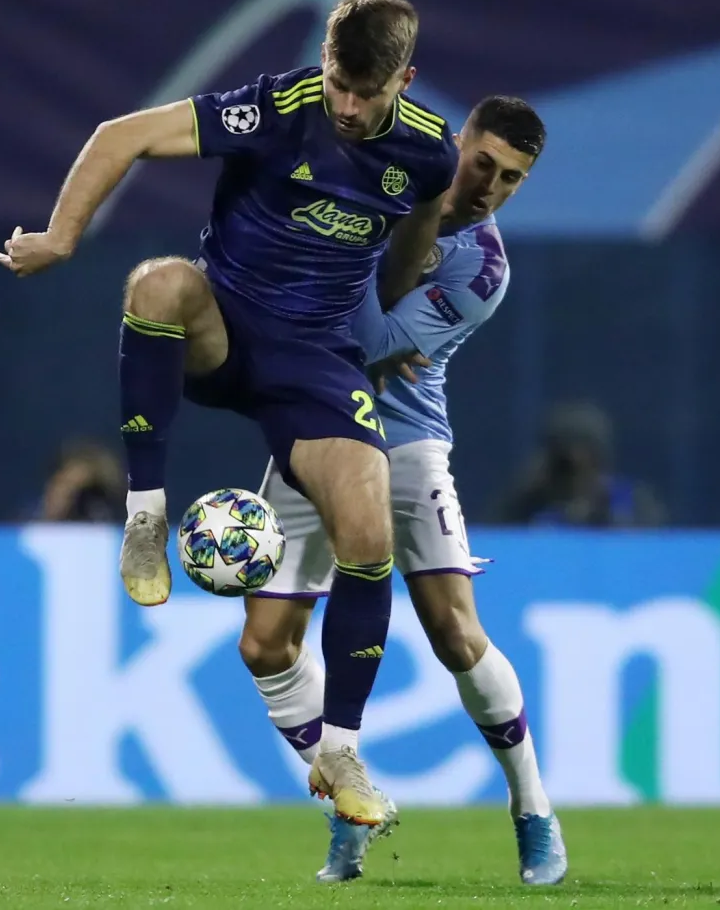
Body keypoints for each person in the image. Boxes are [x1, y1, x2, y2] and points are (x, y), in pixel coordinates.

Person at [0, 0, 459, 827]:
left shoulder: (429, 152)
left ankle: (342, 751)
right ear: (323, 57)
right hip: (226, 332)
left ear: (405, 80)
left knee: (367, 532)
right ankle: (145, 515)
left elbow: (421, 224)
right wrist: (61, 238)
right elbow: (119, 135)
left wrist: (390, 312)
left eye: (366, 93)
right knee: (159, 283)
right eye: (336, 83)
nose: (345, 107)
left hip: (316, 362)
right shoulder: (278, 110)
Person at [241, 97, 568, 885]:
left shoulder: (481, 267)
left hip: (406, 441)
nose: (490, 186)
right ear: (460, 145)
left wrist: (336, 267)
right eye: (484, 162)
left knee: (455, 632)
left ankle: (533, 809)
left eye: (512, 179)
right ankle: (348, 806)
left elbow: (372, 345)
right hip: (316, 431)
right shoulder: (374, 184)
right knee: (263, 643)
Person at [491, 400, 668, 526]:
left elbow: (651, 550)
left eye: (584, 452)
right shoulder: (525, 506)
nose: (574, 461)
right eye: (564, 454)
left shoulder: (633, 504)